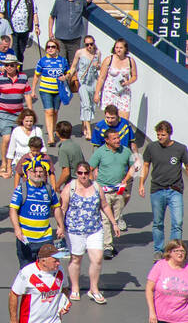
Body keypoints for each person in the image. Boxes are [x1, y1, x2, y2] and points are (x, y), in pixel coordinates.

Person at [59, 159, 120, 304]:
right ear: (76, 174)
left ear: (90, 173)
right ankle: (75, 288)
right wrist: (60, 226)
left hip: (94, 229)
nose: (83, 176)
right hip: (75, 229)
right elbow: (62, 208)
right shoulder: (70, 188)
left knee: (97, 258)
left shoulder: (96, 187)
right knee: (76, 258)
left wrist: (114, 223)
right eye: (80, 173)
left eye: (86, 173)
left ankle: (94, 289)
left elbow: (104, 206)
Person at [141, 120, 187, 254]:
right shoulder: (151, 148)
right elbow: (145, 166)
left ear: (170, 134)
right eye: (158, 135)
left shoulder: (180, 149)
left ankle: (174, 251)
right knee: (158, 223)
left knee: (177, 223)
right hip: (157, 190)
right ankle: (158, 250)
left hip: (175, 190)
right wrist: (141, 184)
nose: (160, 137)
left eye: (163, 135)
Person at [8, 243, 70, 323]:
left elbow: (65, 289)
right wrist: (13, 321)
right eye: (55, 260)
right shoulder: (27, 273)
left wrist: (65, 302)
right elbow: (13, 294)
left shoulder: (60, 271)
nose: (58, 263)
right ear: (43, 260)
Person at [90, 125, 134, 259]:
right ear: (107, 141)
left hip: (119, 191)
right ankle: (107, 246)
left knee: (115, 218)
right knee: (105, 219)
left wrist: (126, 179)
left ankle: (109, 242)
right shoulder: (100, 152)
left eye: (118, 137)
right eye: (114, 138)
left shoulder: (126, 151)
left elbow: (133, 166)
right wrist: (93, 184)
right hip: (104, 191)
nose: (117, 140)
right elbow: (90, 167)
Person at [10, 160, 62, 267]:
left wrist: (60, 226)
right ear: (28, 173)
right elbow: (13, 210)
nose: (38, 174)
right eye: (34, 171)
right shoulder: (22, 189)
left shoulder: (48, 189)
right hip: (26, 238)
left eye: (40, 172)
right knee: (26, 270)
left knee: (48, 268)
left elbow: (56, 208)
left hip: (45, 239)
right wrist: (17, 229)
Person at [146, 240, 188, 323]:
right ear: (169, 252)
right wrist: (152, 312)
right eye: (176, 251)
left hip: (182, 319)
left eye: (182, 251)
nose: (180, 253)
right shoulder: (160, 266)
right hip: (161, 318)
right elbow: (149, 289)